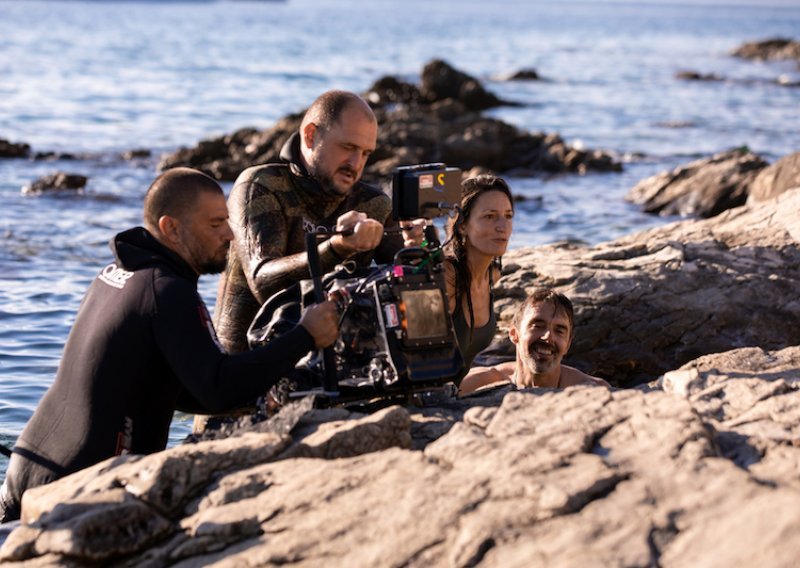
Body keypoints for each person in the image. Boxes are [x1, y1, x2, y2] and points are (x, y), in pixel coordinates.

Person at [0, 168, 339, 523]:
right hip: (75, 490)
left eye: (227, 220)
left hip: (28, 468)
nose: (229, 235)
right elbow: (216, 389)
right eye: (215, 224)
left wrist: (261, 394)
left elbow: (166, 382)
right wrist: (304, 335)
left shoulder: (115, 276)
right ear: (171, 228)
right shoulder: (166, 291)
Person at [214, 89, 423, 355]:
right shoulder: (260, 185)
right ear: (311, 135)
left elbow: (412, 288)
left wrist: (419, 246)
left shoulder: (374, 204)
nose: (355, 164)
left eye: (366, 153)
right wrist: (338, 247)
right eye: (347, 148)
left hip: (339, 374)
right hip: (248, 370)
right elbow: (264, 284)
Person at [458, 288, 610, 395]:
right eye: (537, 325)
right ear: (514, 334)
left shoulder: (594, 392)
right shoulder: (477, 384)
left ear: (568, 344)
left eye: (559, 330)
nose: (547, 337)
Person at [443, 175, 515, 384]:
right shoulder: (447, 276)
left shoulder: (492, 275)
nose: (502, 226)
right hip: (426, 396)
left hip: (455, 389)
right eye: (490, 216)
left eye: (508, 216)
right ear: (462, 225)